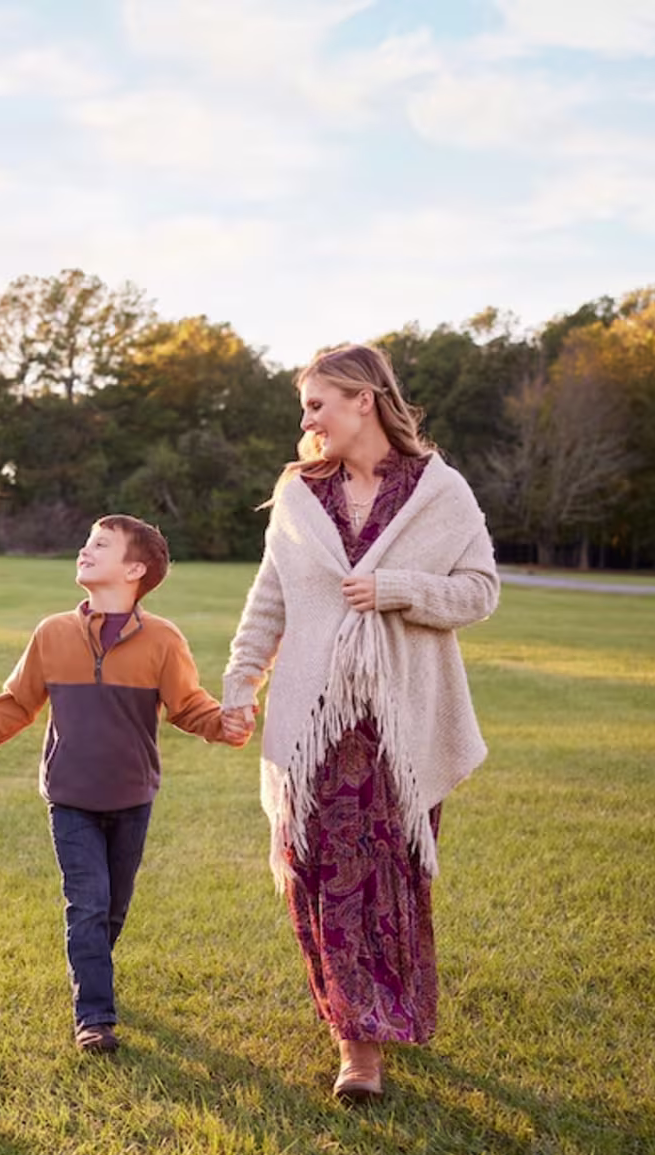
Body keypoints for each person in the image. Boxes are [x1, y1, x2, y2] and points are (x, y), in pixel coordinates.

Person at [221, 342, 498, 1103]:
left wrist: (398, 588)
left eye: (317, 404)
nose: (307, 420)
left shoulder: (441, 494)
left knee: (388, 878)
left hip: (400, 724)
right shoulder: (299, 494)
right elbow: (270, 597)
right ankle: (357, 1047)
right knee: (320, 876)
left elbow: (479, 592)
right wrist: (243, 680)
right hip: (315, 719)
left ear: (362, 401)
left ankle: (380, 1020)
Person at [0, 515, 248, 1053]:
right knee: (88, 903)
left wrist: (224, 724)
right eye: (87, 542)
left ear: (135, 569)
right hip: (70, 797)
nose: (84, 549)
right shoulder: (53, 633)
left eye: (101, 545)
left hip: (132, 797)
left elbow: (189, 706)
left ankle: (92, 964)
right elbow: (17, 705)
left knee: (113, 908)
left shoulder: (163, 640)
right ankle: (94, 1015)